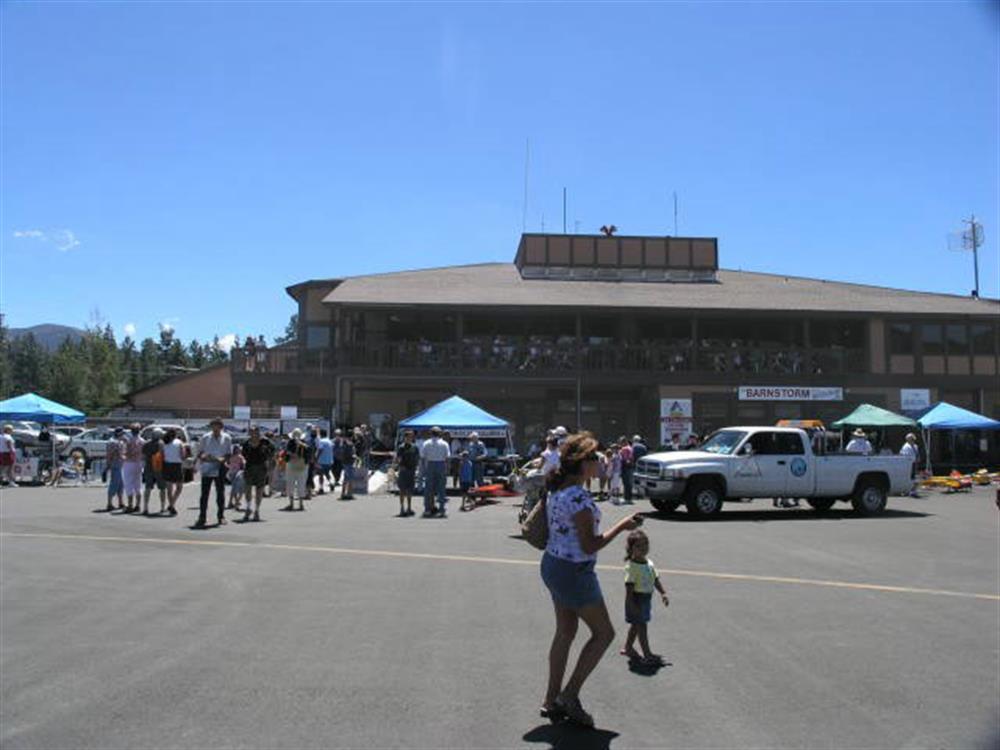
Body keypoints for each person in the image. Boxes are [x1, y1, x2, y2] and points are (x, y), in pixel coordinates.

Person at [539, 432, 641, 726]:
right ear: (582, 464)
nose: (600, 462)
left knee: (565, 632)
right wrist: (622, 526)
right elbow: (590, 545)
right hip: (574, 571)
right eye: (595, 458)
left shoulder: (559, 489)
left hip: (554, 564)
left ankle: (550, 698)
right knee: (604, 634)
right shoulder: (580, 498)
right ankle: (568, 695)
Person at [620, 529, 669, 665]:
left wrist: (663, 593)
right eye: (638, 546)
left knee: (636, 626)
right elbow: (629, 589)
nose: (643, 549)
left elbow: (655, 579)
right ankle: (647, 654)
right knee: (642, 627)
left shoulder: (649, 563)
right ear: (631, 549)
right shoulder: (632, 567)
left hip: (646, 599)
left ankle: (628, 647)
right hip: (636, 600)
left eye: (645, 545)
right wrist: (632, 605)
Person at [196, 417, 233, 528]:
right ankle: (202, 517)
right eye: (213, 425)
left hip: (220, 466)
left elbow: (228, 454)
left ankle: (221, 516)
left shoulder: (226, 438)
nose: (215, 428)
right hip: (207, 466)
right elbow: (200, 453)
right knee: (204, 494)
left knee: (220, 493)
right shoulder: (205, 437)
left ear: (221, 427)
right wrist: (203, 456)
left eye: (217, 425)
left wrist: (223, 459)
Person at [242, 426, 273, 521]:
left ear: (258, 432)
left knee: (259, 490)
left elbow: (272, 451)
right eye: (251, 431)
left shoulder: (265, 442)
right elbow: (243, 454)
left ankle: (257, 510)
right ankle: (248, 508)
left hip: (261, 467)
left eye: (255, 431)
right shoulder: (246, 443)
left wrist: (268, 462)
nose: (253, 433)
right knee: (247, 488)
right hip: (249, 467)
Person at [419, 425, 450, 517]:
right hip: (441, 464)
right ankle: (441, 509)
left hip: (430, 464)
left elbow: (422, 457)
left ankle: (428, 509)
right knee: (441, 488)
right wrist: (447, 469)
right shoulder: (444, 443)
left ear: (430, 433)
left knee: (429, 488)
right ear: (440, 433)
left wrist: (423, 468)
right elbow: (447, 457)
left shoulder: (426, 443)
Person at [283, 429, 310, 511]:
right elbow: (309, 454)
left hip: (291, 465)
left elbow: (286, 456)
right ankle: (301, 504)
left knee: (290, 484)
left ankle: (291, 504)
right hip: (303, 466)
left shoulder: (290, 443)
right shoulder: (305, 444)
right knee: (301, 484)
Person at [393, 430, 419, 517]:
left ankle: (409, 507)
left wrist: (416, 469)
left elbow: (417, 459)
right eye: (408, 437)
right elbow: (398, 459)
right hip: (403, 470)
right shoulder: (401, 447)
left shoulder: (415, 447)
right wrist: (398, 466)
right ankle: (402, 508)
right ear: (405, 437)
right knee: (402, 490)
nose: (410, 438)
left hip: (411, 470)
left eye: (411, 436)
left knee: (410, 490)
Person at [141, 427, 166, 515]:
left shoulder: (146, 443)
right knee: (162, 488)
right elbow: (164, 455)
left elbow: (143, 456)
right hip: (159, 468)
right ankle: (162, 507)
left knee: (148, 487)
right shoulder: (161, 444)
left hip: (148, 467)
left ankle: (145, 507)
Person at [161, 428, 186, 516]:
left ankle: (171, 504)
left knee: (169, 488)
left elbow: (162, 455)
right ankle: (172, 504)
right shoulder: (179, 443)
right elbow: (183, 455)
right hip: (177, 465)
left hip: (167, 465)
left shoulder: (164, 443)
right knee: (179, 487)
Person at [122, 424, 145, 513]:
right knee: (138, 484)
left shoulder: (129, 441)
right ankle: (138, 505)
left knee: (129, 484)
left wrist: (123, 456)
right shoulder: (142, 441)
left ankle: (130, 505)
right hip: (139, 463)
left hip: (129, 463)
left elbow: (126, 452)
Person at [105, 428, 125, 511]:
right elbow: (112, 454)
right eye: (122, 433)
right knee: (114, 484)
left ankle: (121, 502)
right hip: (115, 464)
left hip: (120, 464)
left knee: (121, 484)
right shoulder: (113, 442)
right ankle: (109, 503)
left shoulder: (118, 441)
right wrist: (108, 464)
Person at [226, 445, 246, 512]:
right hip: (237, 473)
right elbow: (244, 463)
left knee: (233, 488)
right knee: (239, 489)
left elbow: (226, 463)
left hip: (231, 472)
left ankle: (231, 502)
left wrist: (229, 467)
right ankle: (236, 501)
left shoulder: (230, 457)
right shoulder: (240, 457)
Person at [900, 433, 920, 497]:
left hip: (914, 463)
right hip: (908, 464)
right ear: (908, 439)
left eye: (913, 439)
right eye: (911, 439)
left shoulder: (915, 446)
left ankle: (913, 491)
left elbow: (917, 454)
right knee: (908, 477)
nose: (913, 440)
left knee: (914, 477)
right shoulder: (905, 447)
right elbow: (904, 456)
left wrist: (918, 459)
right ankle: (905, 491)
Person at [315, 429, 334, 495]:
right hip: (329, 460)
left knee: (321, 475)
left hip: (322, 460)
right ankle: (331, 483)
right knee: (327, 473)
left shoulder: (321, 441)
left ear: (321, 434)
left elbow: (320, 450)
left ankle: (321, 488)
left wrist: (316, 458)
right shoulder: (330, 441)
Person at [618, 437, 635, 504]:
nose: (620, 444)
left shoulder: (624, 449)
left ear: (624, 442)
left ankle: (626, 498)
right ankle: (629, 498)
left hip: (625, 467)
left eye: (620, 442)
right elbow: (631, 457)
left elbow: (625, 459)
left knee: (626, 483)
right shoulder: (630, 447)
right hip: (631, 467)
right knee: (629, 483)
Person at [340, 435, 356, 500]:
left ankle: (343, 493)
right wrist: (355, 456)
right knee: (350, 479)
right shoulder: (350, 445)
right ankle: (350, 494)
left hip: (345, 463)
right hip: (349, 463)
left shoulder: (343, 445)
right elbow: (352, 454)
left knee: (345, 479)